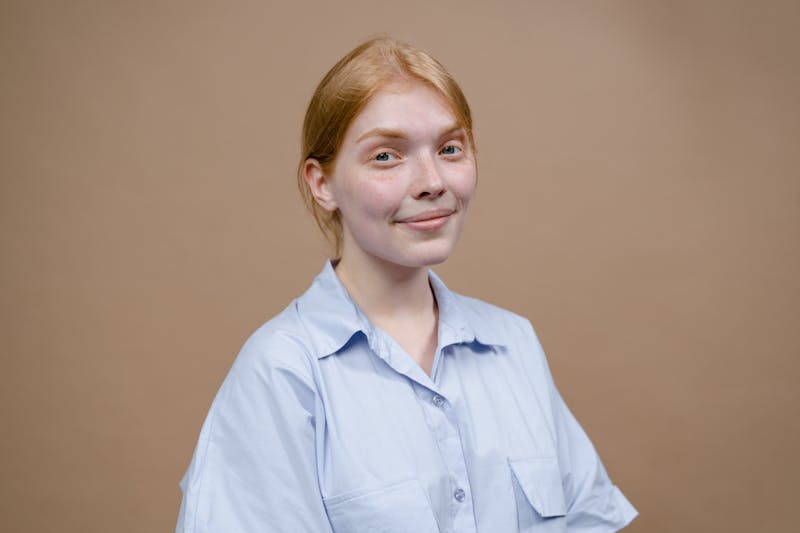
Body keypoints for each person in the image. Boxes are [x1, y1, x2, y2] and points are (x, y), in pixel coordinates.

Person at [176, 37, 637, 533]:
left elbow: (592, 521)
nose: (432, 180)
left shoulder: (514, 344)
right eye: (386, 156)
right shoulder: (284, 371)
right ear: (322, 183)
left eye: (450, 148)